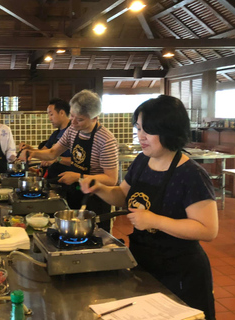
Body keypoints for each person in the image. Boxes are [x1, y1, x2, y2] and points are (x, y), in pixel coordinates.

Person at [80, 95, 217, 320]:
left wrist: (154, 221)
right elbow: (123, 196)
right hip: (143, 263)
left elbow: (208, 229)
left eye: (148, 130)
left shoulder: (191, 175)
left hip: (180, 272)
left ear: (169, 130)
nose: (140, 136)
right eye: (138, 128)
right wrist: (99, 188)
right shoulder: (142, 161)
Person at [21, 90, 118, 232]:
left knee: (94, 240)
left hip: (96, 198)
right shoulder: (73, 130)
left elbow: (111, 179)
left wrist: (79, 177)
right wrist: (32, 153)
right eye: (72, 116)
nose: (73, 122)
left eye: (79, 119)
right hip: (75, 193)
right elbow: (53, 153)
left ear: (94, 118)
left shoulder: (106, 140)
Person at [18, 98, 72, 180]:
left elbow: (78, 162)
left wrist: (56, 159)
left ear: (61, 113)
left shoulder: (73, 133)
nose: (50, 118)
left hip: (68, 179)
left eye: (51, 114)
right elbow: (45, 152)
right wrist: (30, 150)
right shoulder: (56, 134)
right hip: (54, 178)